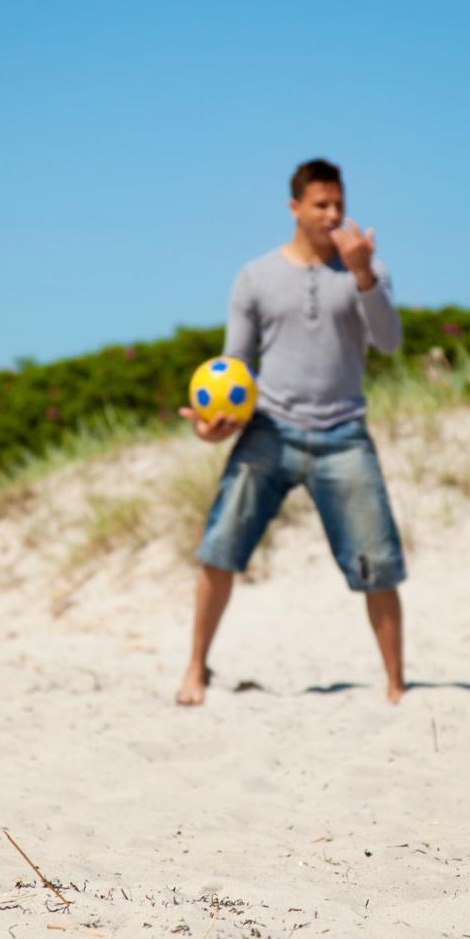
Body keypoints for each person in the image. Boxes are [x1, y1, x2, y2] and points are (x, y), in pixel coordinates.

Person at [176, 158, 407, 707]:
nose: (332, 214)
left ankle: (397, 685)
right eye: (321, 204)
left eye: (339, 205)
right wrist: (214, 430)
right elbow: (235, 367)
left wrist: (363, 274)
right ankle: (195, 668)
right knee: (219, 548)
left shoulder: (366, 269)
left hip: (344, 433)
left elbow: (391, 341)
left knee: (377, 562)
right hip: (270, 429)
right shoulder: (255, 276)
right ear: (295, 207)